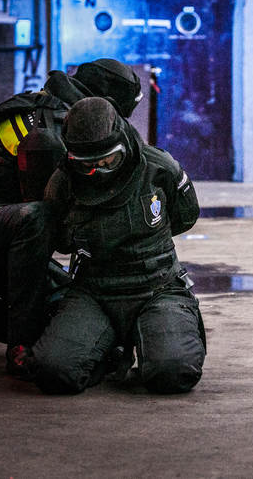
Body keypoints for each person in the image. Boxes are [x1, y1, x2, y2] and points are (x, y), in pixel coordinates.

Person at [0, 58, 143, 375]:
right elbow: (57, 220)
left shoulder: (50, 108)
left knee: (73, 315)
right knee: (38, 220)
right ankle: (21, 348)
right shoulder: (50, 129)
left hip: (3, 235)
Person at [29, 97, 204, 394]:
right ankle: (109, 351)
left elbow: (184, 217)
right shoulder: (63, 182)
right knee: (53, 372)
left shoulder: (158, 167)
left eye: (108, 160)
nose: (98, 171)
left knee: (172, 373)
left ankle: (158, 335)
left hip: (158, 287)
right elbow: (60, 240)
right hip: (94, 291)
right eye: (87, 165)